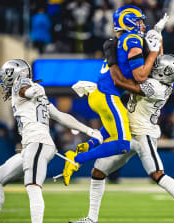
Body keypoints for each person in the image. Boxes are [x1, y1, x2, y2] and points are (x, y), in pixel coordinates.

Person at [0, 59, 103, 223]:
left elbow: (27, 90)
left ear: (16, 74)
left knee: (33, 185)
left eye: (6, 75)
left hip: (38, 143)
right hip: (32, 145)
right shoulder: (34, 94)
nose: (4, 80)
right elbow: (60, 116)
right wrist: (89, 130)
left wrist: (34, 88)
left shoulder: (23, 85)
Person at [68, 53, 174, 223]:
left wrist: (112, 69)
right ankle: (92, 219)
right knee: (98, 171)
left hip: (143, 134)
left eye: (156, 66)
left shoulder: (157, 86)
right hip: (130, 131)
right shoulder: (159, 81)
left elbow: (124, 84)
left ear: (163, 73)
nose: (151, 67)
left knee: (157, 174)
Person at [61, 5, 162, 186]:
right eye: (139, 21)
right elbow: (140, 75)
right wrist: (153, 52)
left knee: (115, 128)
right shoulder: (131, 39)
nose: (142, 25)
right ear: (128, 21)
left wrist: (156, 43)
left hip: (100, 95)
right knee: (123, 144)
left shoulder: (122, 39)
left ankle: (89, 145)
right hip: (108, 95)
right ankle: (76, 159)